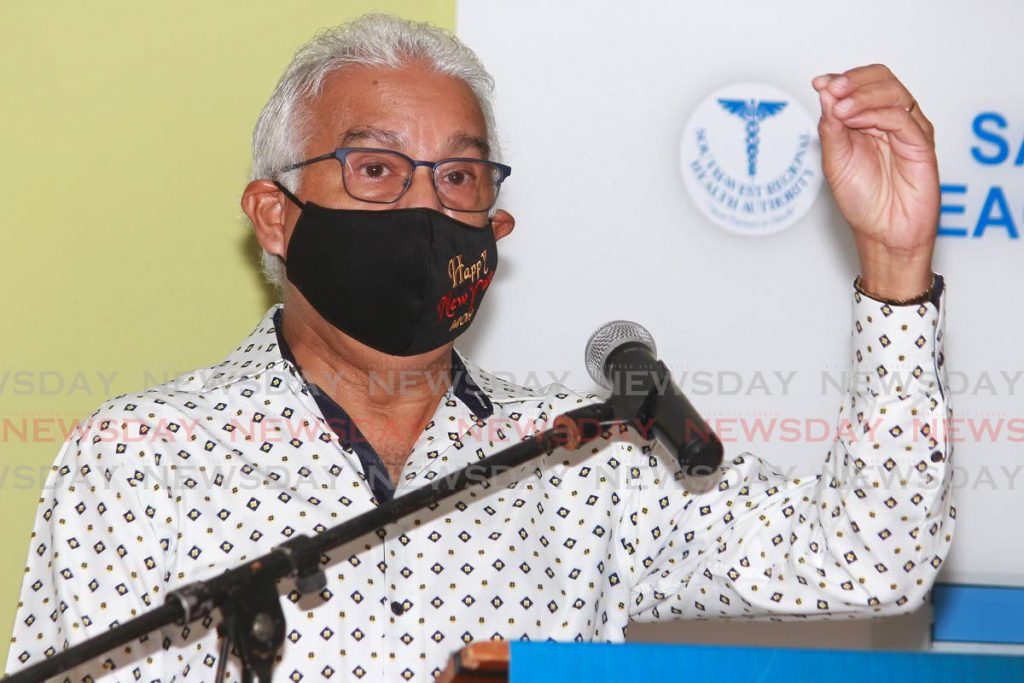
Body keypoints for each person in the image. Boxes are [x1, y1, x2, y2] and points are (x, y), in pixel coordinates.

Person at [5, 13, 953, 682]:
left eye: (457, 175)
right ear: (276, 215)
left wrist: (897, 260)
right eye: (374, 169)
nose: (426, 206)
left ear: (495, 221)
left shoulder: (584, 457)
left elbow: (875, 557)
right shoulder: (138, 458)